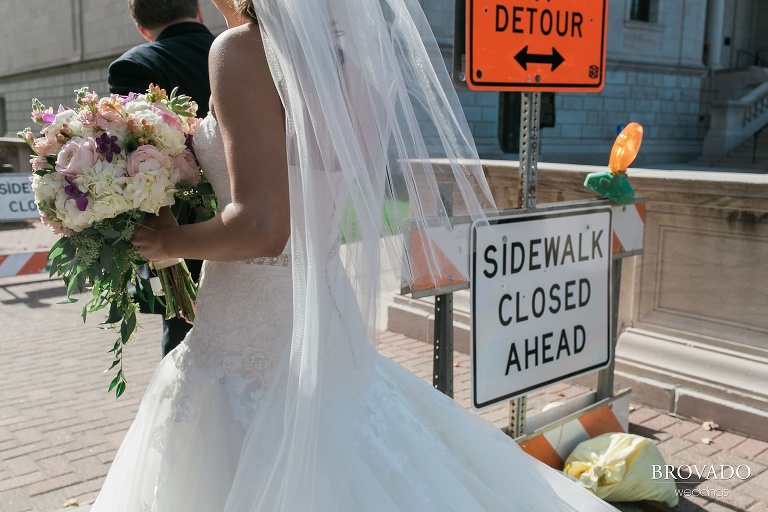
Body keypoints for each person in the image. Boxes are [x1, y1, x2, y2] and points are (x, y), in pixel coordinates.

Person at [91, 0, 619, 510]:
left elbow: (262, 229)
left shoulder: (242, 51)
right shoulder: (358, 74)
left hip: (251, 323)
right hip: (325, 300)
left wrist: (168, 242)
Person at [108, 0, 215, 356]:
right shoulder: (243, 51)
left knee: (187, 345)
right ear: (198, 10)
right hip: (265, 223)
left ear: (142, 27)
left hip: (182, 235)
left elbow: (131, 159)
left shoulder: (136, 66)